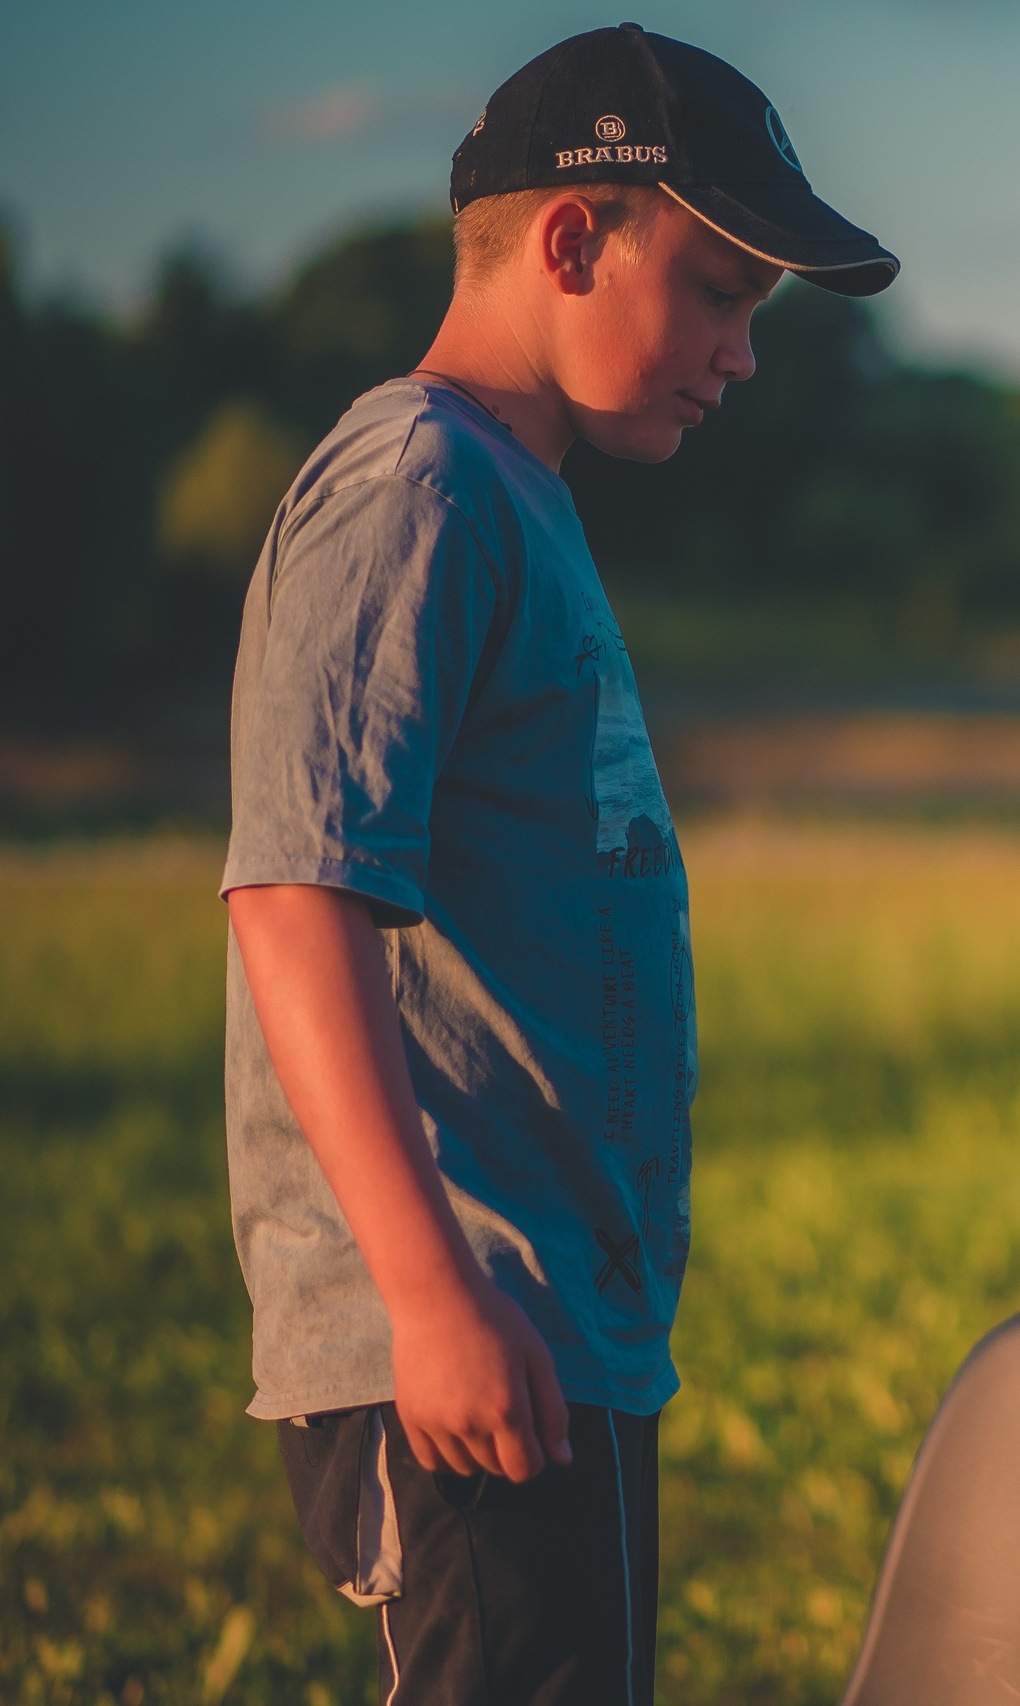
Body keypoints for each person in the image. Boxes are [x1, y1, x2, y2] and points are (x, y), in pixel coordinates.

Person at [219, 26, 896, 1703]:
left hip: (549, 1326)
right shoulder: (417, 485)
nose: (742, 355)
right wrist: (431, 1287)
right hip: (459, 1312)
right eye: (724, 292)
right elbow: (297, 893)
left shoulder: (513, 500)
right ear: (575, 239)